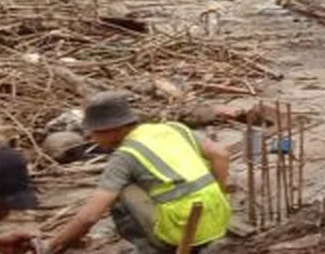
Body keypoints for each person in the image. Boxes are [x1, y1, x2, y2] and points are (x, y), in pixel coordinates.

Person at [46, 92, 231, 254]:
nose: (90, 137)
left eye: (93, 132)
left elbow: (89, 217)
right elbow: (221, 155)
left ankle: (155, 249)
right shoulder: (174, 128)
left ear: (113, 130)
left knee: (121, 191)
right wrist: (218, 195)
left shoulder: (125, 156)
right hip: (217, 218)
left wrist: (50, 245)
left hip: (181, 232)